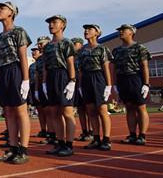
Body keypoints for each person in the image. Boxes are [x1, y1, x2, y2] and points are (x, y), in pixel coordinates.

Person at [0, 1, 32, 164]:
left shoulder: (19, 31)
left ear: (11, 12)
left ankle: (23, 150)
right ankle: (13, 147)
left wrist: (25, 79)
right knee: (8, 111)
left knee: (20, 111)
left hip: (16, 70)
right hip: (3, 72)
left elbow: (23, 55)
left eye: (2, 9)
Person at [42, 15, 77, 157]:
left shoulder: (67, 43)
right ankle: (60, 142)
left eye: (54, 22)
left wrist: (72, 81)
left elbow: (70, 63)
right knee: (54, 112)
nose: (51, 25)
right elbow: (45, 65)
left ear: (62, 25)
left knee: (67, 112)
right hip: (51, 77)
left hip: (63, 76)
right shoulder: (48, 46)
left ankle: (69, 144)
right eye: (50, 23)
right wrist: (44, 83)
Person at [112, 24, 151, 146]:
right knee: (129, 107)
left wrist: (146, 83)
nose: (121, 32)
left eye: (124, 30)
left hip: (135, 78)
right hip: (122, 80)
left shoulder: (139, 48)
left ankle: (142, 135)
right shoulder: (116, 50)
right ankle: (132, 134)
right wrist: (115, 84)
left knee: (140, 107)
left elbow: (144, 66)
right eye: (120, 30)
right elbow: (114, 68)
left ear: (131, 32)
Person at [79, 24, 113, 151]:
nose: (86, 31)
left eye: (90, 29)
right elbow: (81, 69)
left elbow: (106, 68)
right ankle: (96, 138)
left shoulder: (102, 49)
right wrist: (81, 86)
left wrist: (108, 85)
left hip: (98, 78)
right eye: (85, 29)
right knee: (91, 110)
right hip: (86, 79)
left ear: (97, 33)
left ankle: (106, 139)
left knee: (102, 110)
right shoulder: (82, 50)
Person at [72, 37, 93, 143]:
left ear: (80, 44)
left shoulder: (85, 53)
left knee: (89, 108)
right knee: (80, 109)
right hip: (75, 84)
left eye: (75, 44)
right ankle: (84, 131)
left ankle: (91, 131)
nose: (73, 45)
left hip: (85, 83)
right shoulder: (72, 56)